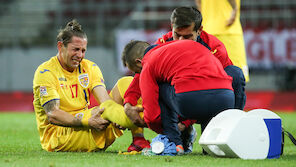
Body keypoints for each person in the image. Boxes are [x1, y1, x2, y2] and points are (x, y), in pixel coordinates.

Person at [33, 19, 144, 152]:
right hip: (60, 135)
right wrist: (88, 122)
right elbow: (53, 114)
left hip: (91, 122)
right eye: (75, 49)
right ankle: (147, 119)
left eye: (83, 50)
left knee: (126, 83)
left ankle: (139, 140)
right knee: (103, 113)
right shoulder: (46, 72)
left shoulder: (89, 67)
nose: (80, 55)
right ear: (60, 46)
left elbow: (106, 102)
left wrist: (115, 115)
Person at [121, 40, 235, 154]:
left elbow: (152, 117)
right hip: (226, 99)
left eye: (138, 71)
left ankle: (175, 143)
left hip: (191, 100)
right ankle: (215, 146)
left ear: (139, 62)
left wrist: (145, 123)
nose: (140, 74)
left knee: (160, 86)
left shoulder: (149, 63)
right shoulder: (180, 47)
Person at [155, 6, 246, 110]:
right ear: (172, 27)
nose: (180, 41)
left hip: (206, 95)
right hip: (178, 97)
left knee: (235, 73)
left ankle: (233, 119)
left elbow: (218, 86)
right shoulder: (161, 45)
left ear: (199, 30)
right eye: (177, 34)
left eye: (187, 36)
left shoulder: (215, 48)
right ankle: (173, 123)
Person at [196, 0, 249, 82]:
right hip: (228, 30)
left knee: (209, 78)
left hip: (207, 31)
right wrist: (235, 8)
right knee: (237, 77)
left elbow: (198, 2)